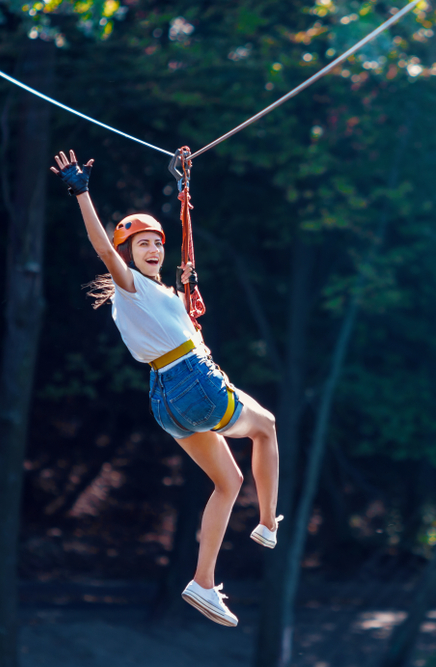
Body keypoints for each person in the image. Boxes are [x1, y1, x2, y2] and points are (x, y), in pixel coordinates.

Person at [50, 149, 281, 627]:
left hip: (165, 400)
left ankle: (202, 582)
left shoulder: (165, 295)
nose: (153, 249)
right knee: (267, 427)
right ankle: (266, 525)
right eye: (142, 245)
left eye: (157, 242)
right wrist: (82, 194)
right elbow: (101, 247)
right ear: (129, 256)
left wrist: (187, 300)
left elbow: (181, 324)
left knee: (229, 481)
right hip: (191, 383)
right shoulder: (130, 286)